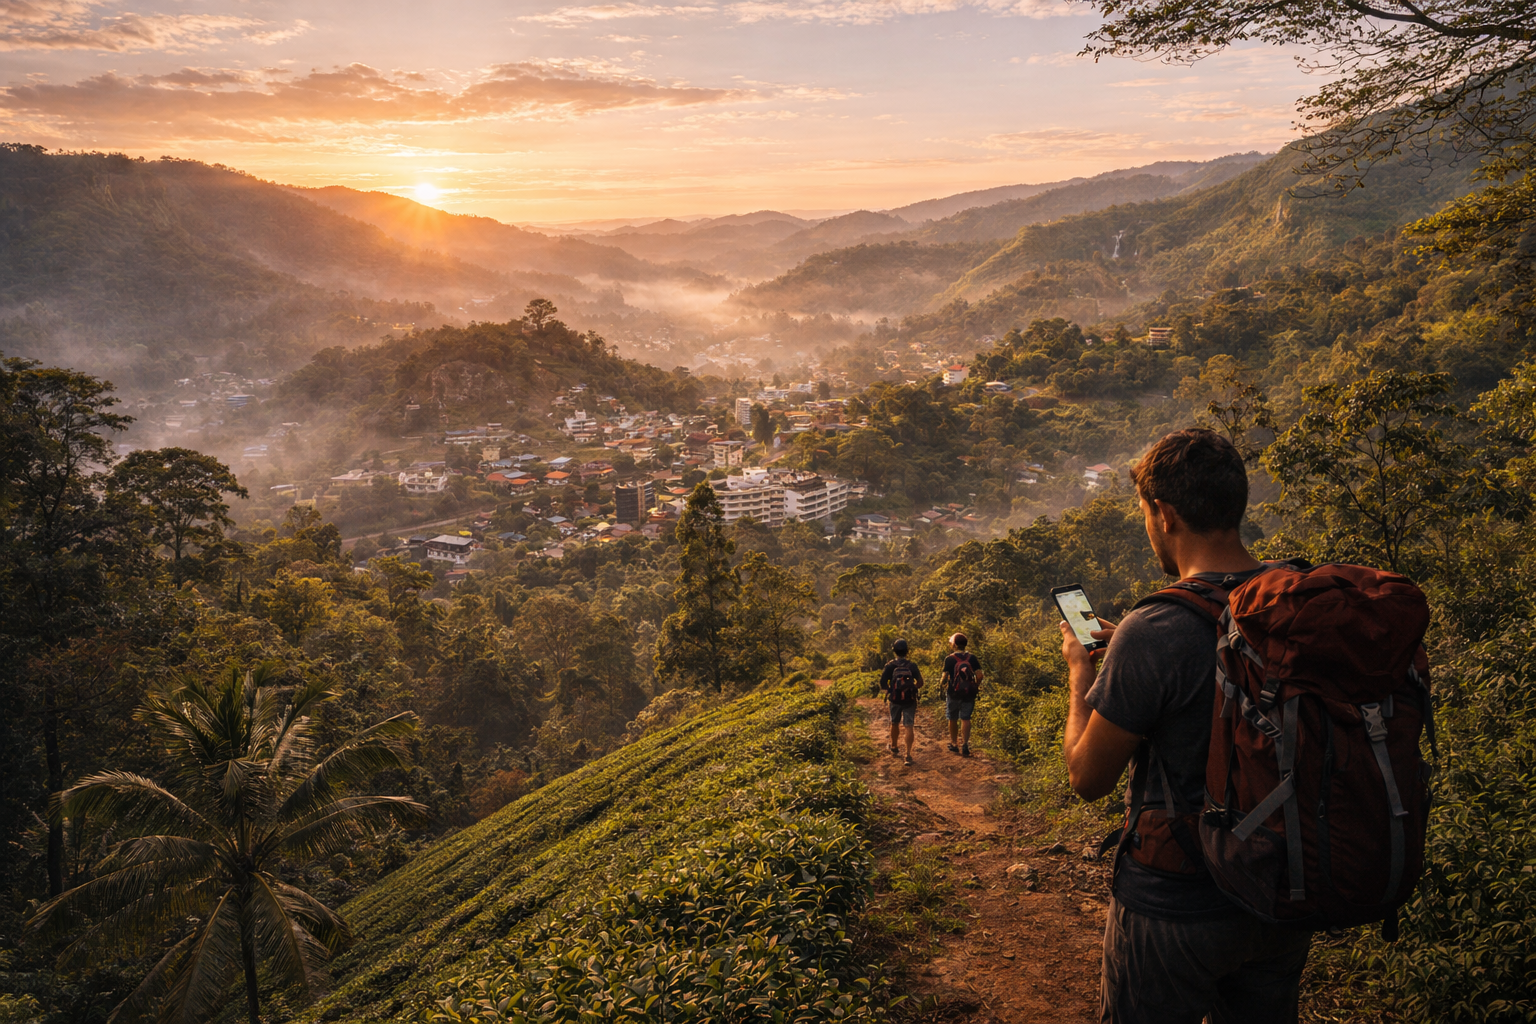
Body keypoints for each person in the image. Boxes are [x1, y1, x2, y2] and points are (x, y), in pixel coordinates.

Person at [1058, 428, 1313, 1024]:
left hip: (1175, 902)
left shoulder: (1156, 631)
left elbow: (1087, 777)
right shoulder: (1295, 600)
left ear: (1164, 514)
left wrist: (1081, 677)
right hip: (1280, 890)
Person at [879, 638, 923, 765]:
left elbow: (882, 684)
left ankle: (894, 746)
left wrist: (891, 690)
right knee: (909, 725)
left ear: (894, 651)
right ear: (907, 651)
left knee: (894, 722)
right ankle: (908, 755)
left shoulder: (890, 666)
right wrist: (912, 688)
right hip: (910, 700)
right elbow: (920, 682)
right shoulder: (912, 666)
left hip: (895, 699)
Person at [941, 632, 982, 756]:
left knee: (952, 718)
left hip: (953, 693)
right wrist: (975, 685)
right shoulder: (972, 658)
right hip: (969, 693)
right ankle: (965, 744)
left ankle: (954, 744)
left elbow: (944, 678)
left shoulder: (950, 659)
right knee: (966, 718)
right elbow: (980, 675)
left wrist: (941, 685)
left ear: (954, 645)